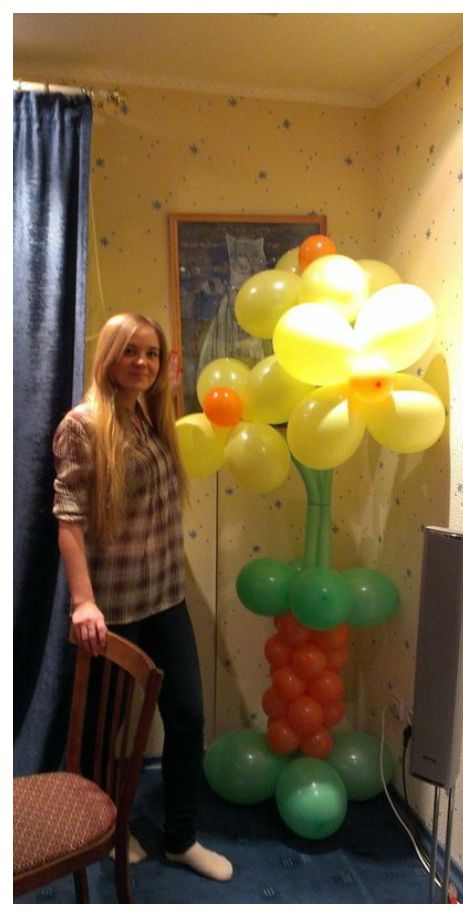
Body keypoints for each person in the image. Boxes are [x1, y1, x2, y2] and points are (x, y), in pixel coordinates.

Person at [53, 312, 233, 882]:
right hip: (112, 610)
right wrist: (83, 602)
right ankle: (107, 833)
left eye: (152, 353)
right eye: (131, 351)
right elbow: (69, 520)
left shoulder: (152, 419)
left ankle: (181, 838)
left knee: (187, 718)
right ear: (109, 355)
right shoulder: (83, 425)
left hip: (165, 597)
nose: (142, 362)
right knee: (103, 733)